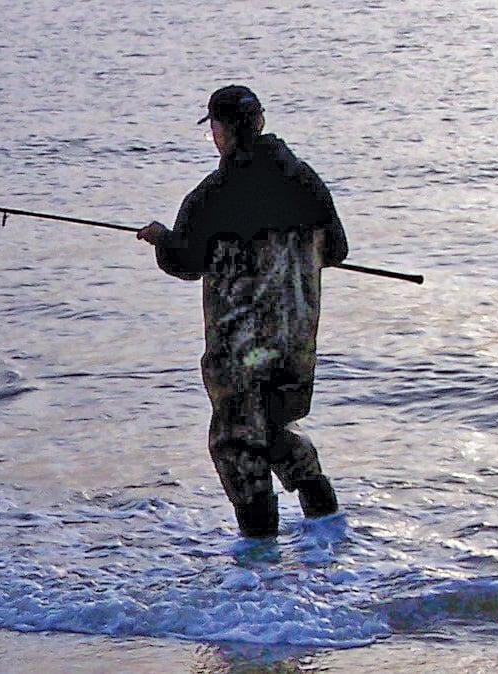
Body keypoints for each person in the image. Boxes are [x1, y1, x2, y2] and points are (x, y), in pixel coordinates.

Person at [137, 85, 349, 538]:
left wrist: (161, 239)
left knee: (236, 443)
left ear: (222, 130)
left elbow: (187, 263)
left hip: (239, 349)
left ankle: (258, 560)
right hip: (296, 345)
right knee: (274, 428)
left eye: (214, 126)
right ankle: (329, 529)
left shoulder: (214, 194)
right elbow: (337, 248)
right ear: (261, 122)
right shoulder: (304, 181)